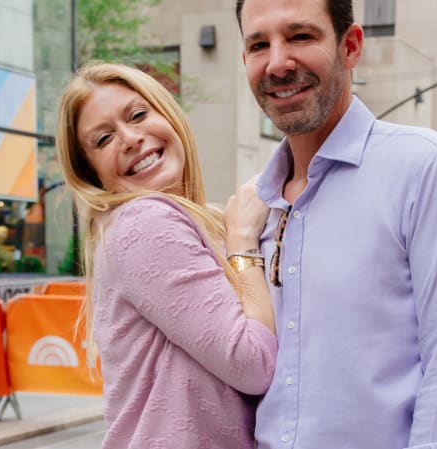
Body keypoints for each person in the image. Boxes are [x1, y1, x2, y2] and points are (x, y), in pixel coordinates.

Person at [235, 0, 437, 449]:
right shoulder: (255, 206)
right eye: (259, 45)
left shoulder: (429, 170)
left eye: (300, 36)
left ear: (351, 45)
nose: (278, 63)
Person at [55, 63, 278, 449]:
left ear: (168, 114)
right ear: (93, 176)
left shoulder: (200, 220)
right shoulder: (145, 221)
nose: (129, 138)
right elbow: (253, 362)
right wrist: (243, 240)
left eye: (138, 115)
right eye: (103, 139)